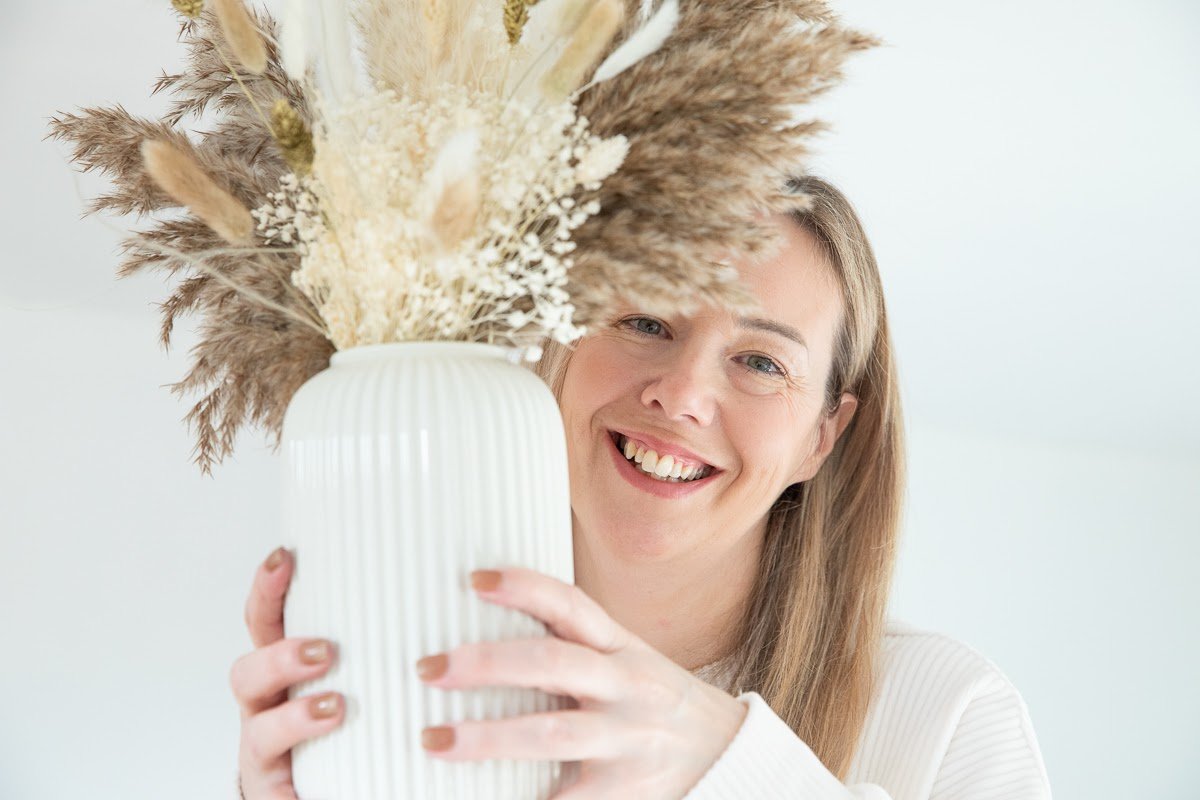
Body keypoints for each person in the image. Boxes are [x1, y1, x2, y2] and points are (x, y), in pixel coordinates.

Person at [229, 176, 1052, 799]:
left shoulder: (949, 712)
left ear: (821, 438)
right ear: (560, 349)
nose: (683, 393)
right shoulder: (418, 679)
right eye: (646, 323)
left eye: (761, 362)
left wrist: (730, 764)